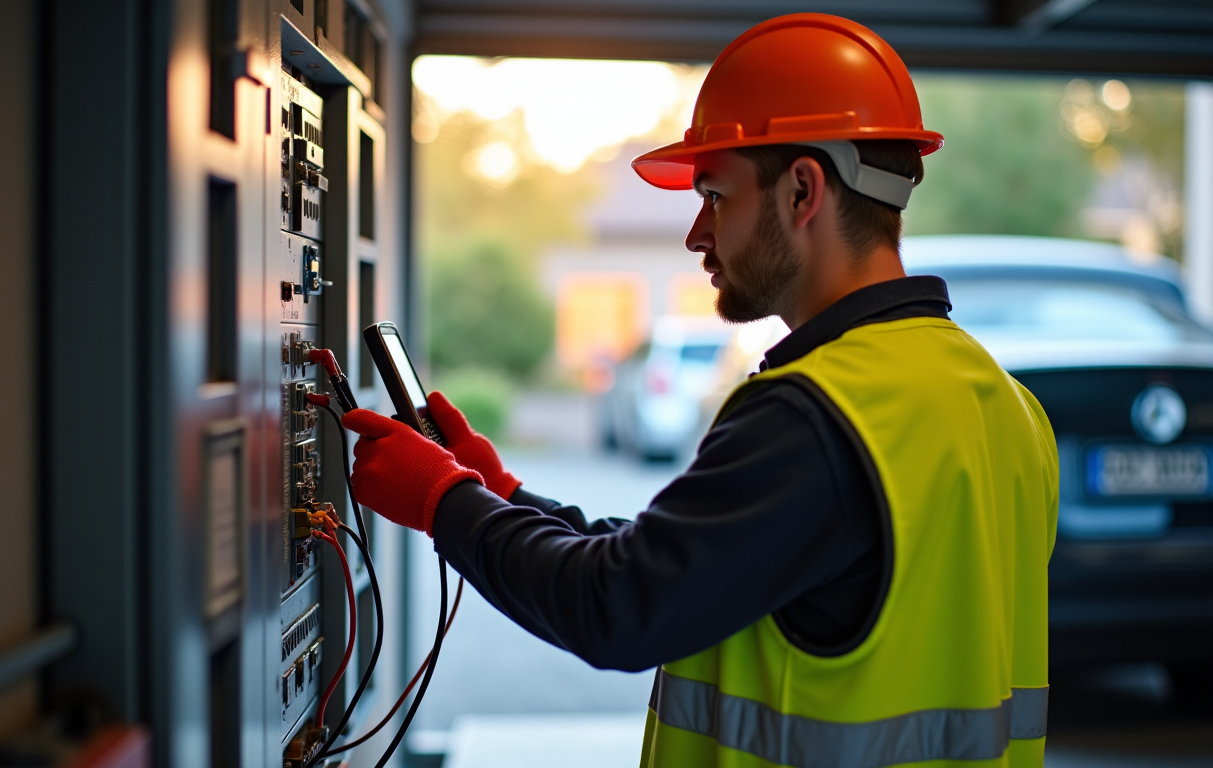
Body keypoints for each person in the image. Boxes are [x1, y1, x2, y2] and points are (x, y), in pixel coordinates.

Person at [342, 13, 1059, 768]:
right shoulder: (1006, 406)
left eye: (715, 195)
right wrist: (501, 492)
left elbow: (617, 607)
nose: (695, 233)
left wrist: (442, 503)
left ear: (802, 191)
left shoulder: (817, 413)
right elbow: (702, 562)